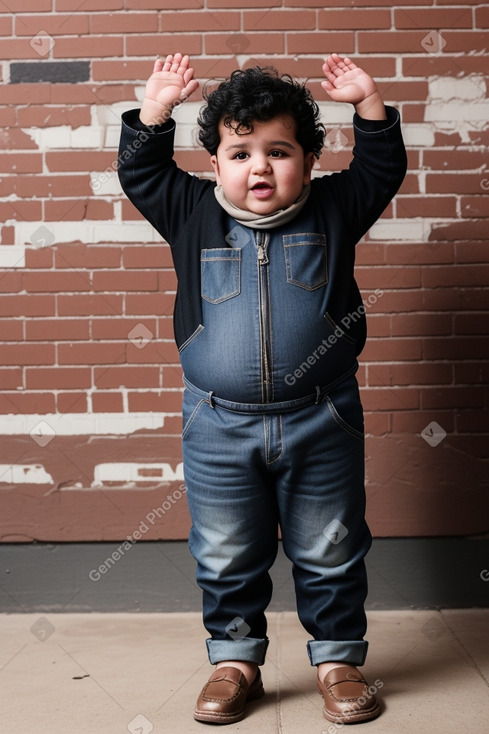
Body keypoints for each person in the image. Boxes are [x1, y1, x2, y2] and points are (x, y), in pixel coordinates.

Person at [118, 52, 406, 726]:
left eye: (279, 152)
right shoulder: (189, 212)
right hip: (218, 423)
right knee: (224, 548)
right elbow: (140, 170)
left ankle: (338, 661)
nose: (259, 167)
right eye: (240, 151)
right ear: (213, 163)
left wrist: (367, 104)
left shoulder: (336, 209)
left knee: (331, 544)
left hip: (322, 418)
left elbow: (380, 169)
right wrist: (156, 110)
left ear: (308, 161)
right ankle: (234, 661)